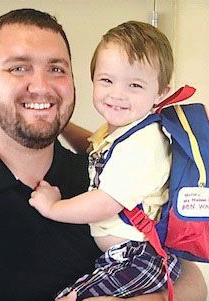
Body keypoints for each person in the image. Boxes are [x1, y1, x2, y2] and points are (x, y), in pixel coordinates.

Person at [0, 8, 207, 301]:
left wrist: (155, 300)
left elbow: (188, 278)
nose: (41, 86)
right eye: (18, 68)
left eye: (56, 69)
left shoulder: (97, 173)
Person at [29, 21, 184, 300]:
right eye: (106, 80)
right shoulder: (127, 130)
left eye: (134, 85)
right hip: (126, 256)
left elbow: (106, 202)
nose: (117, 94)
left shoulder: (145, 143)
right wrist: (61, 124)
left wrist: (53, 207)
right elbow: (96, 149)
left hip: (139, 256)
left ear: (161, 92)